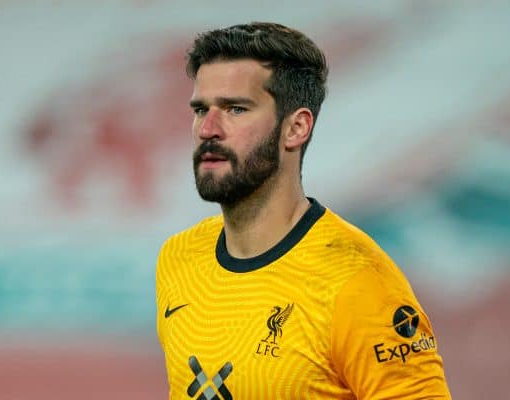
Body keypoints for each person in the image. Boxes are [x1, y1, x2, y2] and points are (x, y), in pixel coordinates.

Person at [156, 22, 451, 399]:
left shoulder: (359, 283)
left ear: (296, 128)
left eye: (235, 108)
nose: (208, 129)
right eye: (201, 109)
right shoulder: (178, 259)